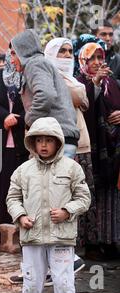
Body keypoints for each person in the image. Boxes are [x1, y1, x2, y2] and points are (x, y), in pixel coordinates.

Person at [7, 117, 91, 293]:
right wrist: (20, 217)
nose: (43, 145)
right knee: (31, 284)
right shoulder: (23, 170)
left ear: (58, 142)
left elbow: (84, 198)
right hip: (32, 238)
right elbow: (12, 198)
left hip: (61, 237)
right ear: (32, 143)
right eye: (39, 140)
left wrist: (67, 211)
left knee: (64, 283)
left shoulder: (72, 169)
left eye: (49, 140)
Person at [44, 38, 98, 252]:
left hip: (80, 143)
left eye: (69, 51)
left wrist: (79, 91)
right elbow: (78, 95)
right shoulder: (49, 76)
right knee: (60, 197)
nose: (67, 55)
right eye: (61, 51)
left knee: (80, 195)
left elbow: (82, 98)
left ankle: (77, 248)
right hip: (58, 144)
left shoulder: (71, 79)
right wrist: (79, 91)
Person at [75, 41, 120, 259]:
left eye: (99, 58)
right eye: (90, 58)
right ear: (82, 60)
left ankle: (110, 240)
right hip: (90, 149)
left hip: (112, 150)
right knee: (90, 195)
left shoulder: (113, 82)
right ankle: (91, 244)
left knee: (110, 196)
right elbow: (83, 106)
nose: (96, 62)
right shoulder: (79, 82)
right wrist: (95, 82)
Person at [9, 29, 80, 158]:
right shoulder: (39, 63)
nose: (12, 60)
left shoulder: (35, 64)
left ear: (24, 51)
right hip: (57, 137)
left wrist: (29, 120)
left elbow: (45, 95)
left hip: (55, 139)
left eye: (14, 54)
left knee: (47, 179)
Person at [0, 52, 28, 247]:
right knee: (2, 188)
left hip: (23, 142)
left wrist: (18, 118)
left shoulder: (28, 76)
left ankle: (23, 232)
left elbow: (36, 104)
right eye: (11, 52)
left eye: (16, 52)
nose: (13, 56)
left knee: (22, 188)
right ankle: (0, 232)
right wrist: (4, 116)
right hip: (1, 141)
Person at [92, 20, 120, 86]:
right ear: (93, 37)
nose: (108, 38)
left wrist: (106, 81)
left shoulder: (118, 60)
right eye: (103, 34)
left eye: (110, 35)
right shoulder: (83, 58)